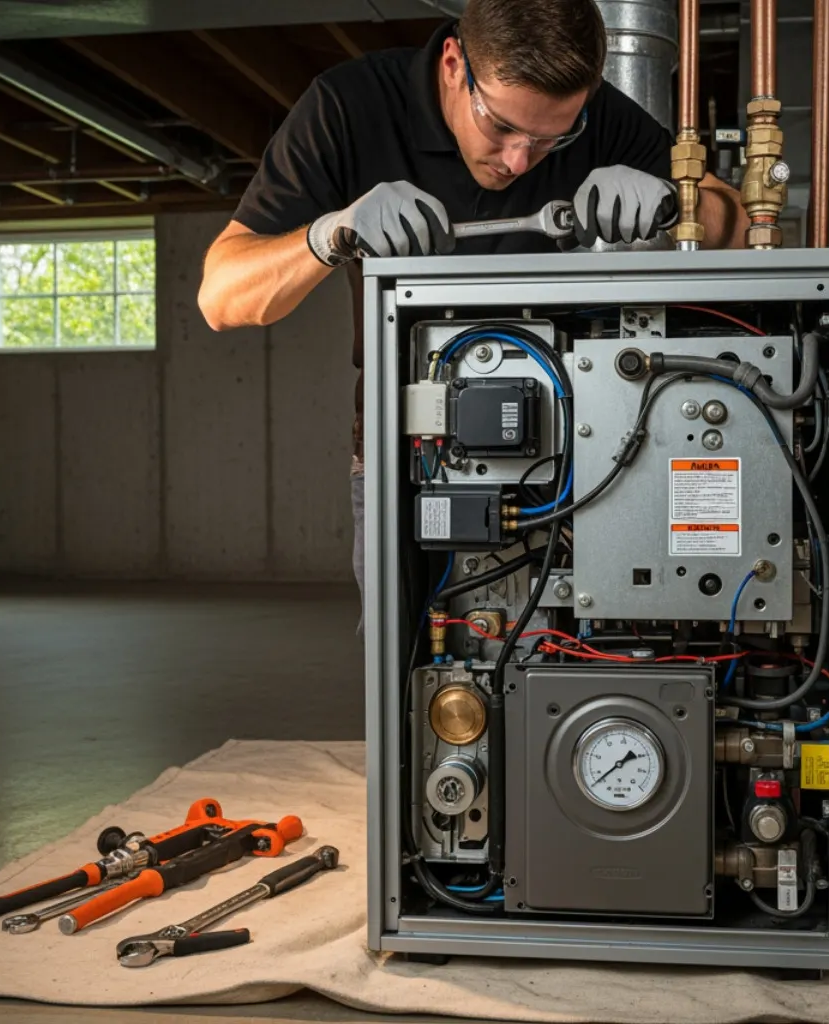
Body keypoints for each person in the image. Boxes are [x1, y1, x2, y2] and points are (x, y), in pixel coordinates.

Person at [197, 0, 748, 622]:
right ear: (456, 65)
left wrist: (680, 203)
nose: (519, 160)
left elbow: (735, 221)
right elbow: (222, 296)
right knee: (406, 680)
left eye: (551, 139)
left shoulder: (598, 119)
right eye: (502, 128)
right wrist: (329, 235)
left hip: (576, 452)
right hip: (407, 458)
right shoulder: (349, 107)